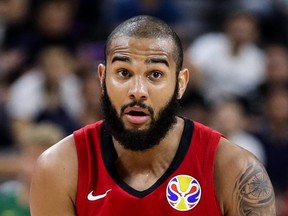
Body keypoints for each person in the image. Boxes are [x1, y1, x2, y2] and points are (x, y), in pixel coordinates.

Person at [30, 15, 276, 215]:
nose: (137, 91)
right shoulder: (60, 167)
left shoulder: (235, 169)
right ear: (103, 79)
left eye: (155, 74)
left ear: (181, 83)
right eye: (124, 73)